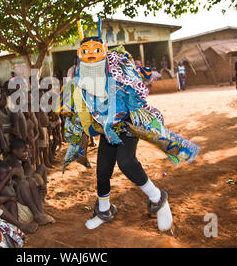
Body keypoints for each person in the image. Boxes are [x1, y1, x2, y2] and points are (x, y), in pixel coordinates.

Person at [62, 29, 199, 232]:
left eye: (95, 50)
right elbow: (80, 106)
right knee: (102, 170)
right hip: (107, 129)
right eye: (86, 51)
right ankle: (104, 210)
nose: (91, 55)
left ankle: (158, 199)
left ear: (104, 50)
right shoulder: (81, 76)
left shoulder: (118, 66)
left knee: (126, 162)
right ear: (81, 54)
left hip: (127, 123)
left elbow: (138, 87)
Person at [0, 161, 54, 226]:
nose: (10, 176)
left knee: (30, 181)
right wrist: (9, 175)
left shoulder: (10, 183)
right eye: (6, 174)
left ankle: (40, 213)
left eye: (10, 174)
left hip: (28, 211)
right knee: (22, 185)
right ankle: (37, 215)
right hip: (19, 216)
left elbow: (22, 185)